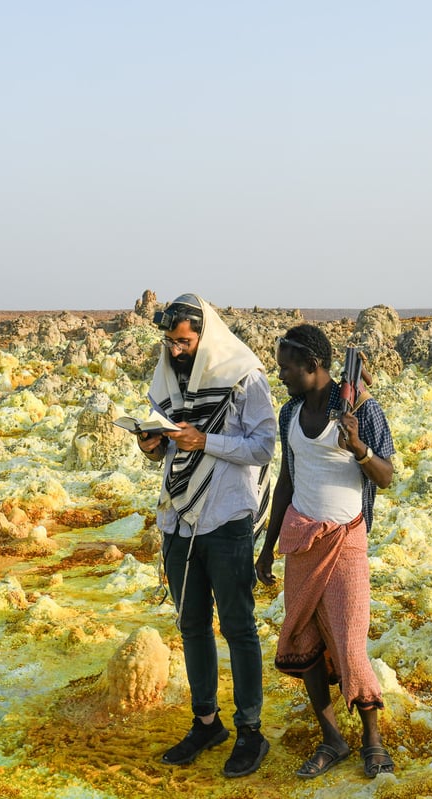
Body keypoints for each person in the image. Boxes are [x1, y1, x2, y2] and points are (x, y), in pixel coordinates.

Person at [137, 293, 276, 778]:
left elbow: (263, 446)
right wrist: (151, 443)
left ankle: (251, 732)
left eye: (183, 341)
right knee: (191, 625)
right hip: (178, 519)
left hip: (226, 519)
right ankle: (206, 722)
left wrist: (206, 441)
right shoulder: (169, 377)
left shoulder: (243, 376)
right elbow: (162, 449)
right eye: (170, 342)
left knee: (238, 627)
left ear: (204, 335)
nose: (175, 351)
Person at [256, 323, 396, 779]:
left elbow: (386, 475)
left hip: (346, 540)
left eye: (287, 368)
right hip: (300, 541)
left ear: (313, 366)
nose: (282, 376)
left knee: (352, 643)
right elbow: (288, 481)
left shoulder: (359, 408)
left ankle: (372, 739)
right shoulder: (289, 413)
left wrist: (357, 447)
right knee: (304, 638)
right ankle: (332, 738)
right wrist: (267, 546)